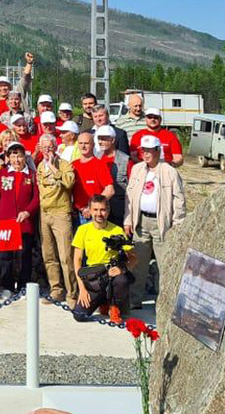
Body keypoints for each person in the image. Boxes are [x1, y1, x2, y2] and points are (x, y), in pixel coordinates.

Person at [124, 135, 187, 308]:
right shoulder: (137, 169)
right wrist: (128, 220)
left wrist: (178, 225)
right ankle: (134, 300)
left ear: (158, 151)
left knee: (164, 265)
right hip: (140, 221)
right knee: (137, 264)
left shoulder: (170, 171)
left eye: (149, 151)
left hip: (162, 224)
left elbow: (179, 200)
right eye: (143, 150)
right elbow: (129, 197)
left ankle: (163, 304)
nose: (145, 154)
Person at [71, 195, 136, 323]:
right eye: (95, 210)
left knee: (122, 281)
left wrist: (122, 269)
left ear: (108, 211)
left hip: (112, 275)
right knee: (79, 315)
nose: (99, 213)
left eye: (102, 210)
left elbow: (133, 259)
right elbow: (77, 260)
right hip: (93, 277)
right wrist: (82, 289)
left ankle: (114, 306)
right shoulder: (83, 230)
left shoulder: (117, 230)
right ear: (89, 210)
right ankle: (102, 302)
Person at [0, 142, 39, 295]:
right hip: (6, 223)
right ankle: (8, 286)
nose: (16, 160)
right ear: (8, 157)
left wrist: (28, 212)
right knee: (6, 256)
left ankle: (23, 285)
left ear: (24, 157)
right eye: (13, 156)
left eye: (19, 156)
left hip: (25, 222)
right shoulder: (3, 173)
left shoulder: (31, 174)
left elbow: (37, 197)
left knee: (24, 255)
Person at [36, 133, 77, 303]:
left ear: (56, 147)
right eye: (44, 148)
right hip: (45, 214)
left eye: (50, 147)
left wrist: (53, 168)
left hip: (61, 212)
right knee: (49, 255)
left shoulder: (65, 164)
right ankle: (56, 289)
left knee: (66, 256)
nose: (47, 151)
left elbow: (69, 182)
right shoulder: (39, 166)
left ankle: (72, 293)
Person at [70, 132, 114, 221]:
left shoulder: (99, 164)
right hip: (76, 213)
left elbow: (110, 190)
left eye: (86, 143)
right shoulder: (73, 165)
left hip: (92, 216)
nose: (83, 146)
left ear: (93, 145)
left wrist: (93, 208)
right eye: (81, 143)